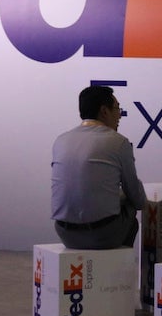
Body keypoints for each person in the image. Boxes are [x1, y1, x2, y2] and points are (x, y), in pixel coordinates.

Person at [51, 85, 147, 249]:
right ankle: (119, 263)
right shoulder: (118, 142)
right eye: (117, 109)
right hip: (103, 235)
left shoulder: (60, 140)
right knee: (130, 204)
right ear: (104, 111)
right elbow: (136, 197)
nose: (120, 115)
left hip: (64, 233)